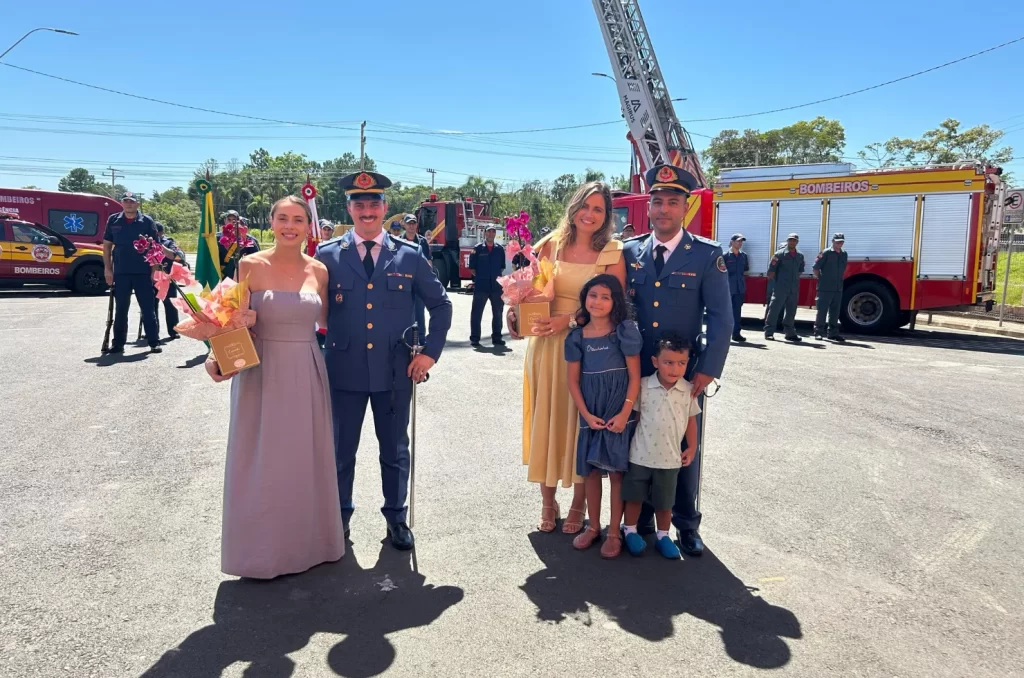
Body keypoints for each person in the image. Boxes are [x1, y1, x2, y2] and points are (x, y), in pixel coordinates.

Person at [204, 195, 345, 579]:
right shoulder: (249, 264)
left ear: (307, 226)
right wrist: (216, 358)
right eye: (283, 218)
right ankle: (260, 552)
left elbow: (333, 324)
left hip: (307, 367)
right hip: (261, 372)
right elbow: (226, 320)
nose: (290, 225)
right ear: (271, 222)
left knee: (303, 457)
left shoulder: (319, 270)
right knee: (262, 458)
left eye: (298, 219)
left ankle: (310, 545)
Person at [315, 171, 452, 551]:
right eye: (359, 204)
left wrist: (429, 354)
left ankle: (396, 518)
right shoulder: (326, 256)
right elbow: (306, 308)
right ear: (349, 208)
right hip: (343, 372)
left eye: (374, 203)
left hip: (395, 372)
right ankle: (338, 517)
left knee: (393, 450)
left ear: (385, 208)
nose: (367, 210)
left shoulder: (409, 254)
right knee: (341, 451)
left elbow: (440, 305)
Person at [622, 164, 732, 557]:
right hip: (638, 369)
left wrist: (708, 369)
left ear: (684, 208)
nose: (663, 209)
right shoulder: (630, 251)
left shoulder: (706, 254)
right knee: (639, 442)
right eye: (657, 201)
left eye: (672, 202)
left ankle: (686, 524)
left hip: (682, 373)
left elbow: (721, 317)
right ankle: (644, 520)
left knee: (684, 447)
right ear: (648, 207)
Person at [507, 181, 626, 535]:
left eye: (598, 209)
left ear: (606, 216)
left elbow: (615, 307)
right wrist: (513, 316)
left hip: (588, 352)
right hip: (544, 349)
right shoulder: (549, 245)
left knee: (578, 427)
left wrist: (570, 320)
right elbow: (525, 292)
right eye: (584, 207)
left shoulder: (612, 253)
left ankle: (578, 504)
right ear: (573, 208)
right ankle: (548, 501)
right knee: (545, 421)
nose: (589, 215)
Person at [565, 274, 641, 558]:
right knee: (592, 473)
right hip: (591, 413)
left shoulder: (624, 331)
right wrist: (585, 414)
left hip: (618, 412)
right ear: (585, 298)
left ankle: (613, 531)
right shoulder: (576, 337)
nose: (597, 302)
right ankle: (593, 526)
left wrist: (625, 413)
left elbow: (634, 377)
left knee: (617, 474)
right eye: (593, 295)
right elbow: (573, 382)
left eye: (605, 297)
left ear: (615, 302)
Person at [621, 332, 701, 559]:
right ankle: (630, 531)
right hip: (639, 456)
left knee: (665, 502)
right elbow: (635, 418)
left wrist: (692, 447)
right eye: (668, 362)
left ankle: (663, 536)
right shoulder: (644, 386)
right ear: (655, 362)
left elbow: (691, 421)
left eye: (681, 363)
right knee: (634, 497)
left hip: (670, 459)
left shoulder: (688, 390)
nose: (674, 369)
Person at [101, 191, 163, 354]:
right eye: (125, 201)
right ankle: (118, 343)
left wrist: (154, 271)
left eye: (132, 201)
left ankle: (154, 342)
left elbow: (156, 249)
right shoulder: (113, 220)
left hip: (142, 272)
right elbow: (107, 246)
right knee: (121, 308)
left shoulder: (147, 221)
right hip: (121, 272)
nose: (128, 204)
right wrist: (108, 269)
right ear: (122, 203)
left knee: (148, 308)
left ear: (137, 204)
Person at [469, 224, 506, 347]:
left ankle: (497, 337)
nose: (491, 234)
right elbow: (472, 268)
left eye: (493, 232)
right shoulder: (478, 249)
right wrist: (482, 277)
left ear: (495, 234)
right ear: (485, 233)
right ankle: (475, 338)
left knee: (498, 313)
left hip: (496, 286)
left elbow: (501, 267)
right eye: (488, 232)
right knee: (477, 313)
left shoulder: (500, 249)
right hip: (482, 285)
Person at [765, 233, 805, 342]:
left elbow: (800, 270)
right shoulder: (779, 254)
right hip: (780, 288)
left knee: (791, 312)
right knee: (774, 310)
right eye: (790, 240)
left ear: (797, 242)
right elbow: (771, 271)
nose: (792, 242)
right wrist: (778, 284)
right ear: (787, 241)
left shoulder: (800, 255)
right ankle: (769, 332)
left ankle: (790, 333)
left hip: (793, 288)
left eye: (794, 240)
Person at [155, 222, 187, 341]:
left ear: (161, 233)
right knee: (150, 307)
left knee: (170, 306)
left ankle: (173, 330)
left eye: (156, 233)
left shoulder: (168, 242)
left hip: (166, 278)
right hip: (151, 278)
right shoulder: (146, 242)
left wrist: (159, 245)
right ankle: (152, 331)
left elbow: (176, 256)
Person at [813, 232, 848, 341]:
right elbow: (816, 268)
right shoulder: (826, 253)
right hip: (825, 288)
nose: (840, 244)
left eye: (841, 241)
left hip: (838, 288)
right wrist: (822, 279)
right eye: (837, 242)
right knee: (822, 311)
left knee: (835, 312)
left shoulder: (844, 254)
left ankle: (833, 333)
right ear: (832, 241)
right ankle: (818, 332)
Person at [401, 213, 432, 332]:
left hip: (419, 283)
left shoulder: (423, 242)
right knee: (402, 313)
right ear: (404, 225)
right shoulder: (398, 241)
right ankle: (403, 340)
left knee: (419, 313)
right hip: (403, 284)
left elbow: (429, 262)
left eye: (413, 224)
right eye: (409, 224)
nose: (411, 226)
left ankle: (421, 340)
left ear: (416, 225)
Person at [218, 211, 261, 281]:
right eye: (229, 219)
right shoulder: (217, 238)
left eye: (234, 220)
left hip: (242, 278)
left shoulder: (250, 240)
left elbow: (257, 261)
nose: (231, 222)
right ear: (225, 221)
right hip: (223, 278)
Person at [724, 233, 750, 342]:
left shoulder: (743, 256)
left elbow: (745, 270)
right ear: (732, 242)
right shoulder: (725, 256)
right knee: (725, 312)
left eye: (741, 241)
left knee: (737, 312)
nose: (740, 243)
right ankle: (723, 334)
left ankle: (736, 334)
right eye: (738, 241)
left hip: (739, 288)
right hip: (727, 288)